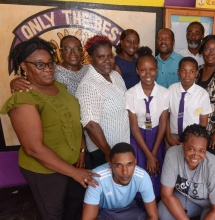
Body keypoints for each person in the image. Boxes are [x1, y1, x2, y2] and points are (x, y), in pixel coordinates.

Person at [0, 37, 99, 220]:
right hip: (46, 172)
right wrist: (74, 173)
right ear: (24, 66)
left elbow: (75, 122)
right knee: (54, 214)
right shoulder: (23, 98)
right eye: (39, 65)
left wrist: (82, 149)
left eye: (50, 64)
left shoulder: (59, 87)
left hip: (72, 165)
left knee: (72, 209)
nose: (48, 69)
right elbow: (33, 148)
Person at [158, 124, 215, 220]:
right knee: (163, 211)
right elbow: (166, 195)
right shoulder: (172, 155)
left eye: (201, 151)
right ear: (183, 145)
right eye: (191, 149)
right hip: (189, 198)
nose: (196, 155)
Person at [75, 35, 130, 169]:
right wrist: (109, 153)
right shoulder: (89, 85)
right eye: (101, 57)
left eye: (109, 56)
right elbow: (91, 125)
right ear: (91, 58)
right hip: (103, 152)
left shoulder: (115, 76)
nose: (107, 61)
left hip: (122, 146)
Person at [125, 46, 169, 197]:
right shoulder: (130, 94)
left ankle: (155, 200)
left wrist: (154, 153)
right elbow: (133, 126)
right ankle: (139, 200)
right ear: (137, 71)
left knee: (156, 168)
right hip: (138, 138)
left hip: (157, 136)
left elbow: (163, 123)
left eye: (151, 70)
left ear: (156, 70)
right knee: (140, 168)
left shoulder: (164, 92)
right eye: (143, 70)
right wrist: (148, 155)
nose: (147, 74)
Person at [82, 142, 158, 220]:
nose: (125, 172)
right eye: (118, 165)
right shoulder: (97, 177)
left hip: (129, 208)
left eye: (130, 164)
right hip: (105, 212)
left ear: (135, 162)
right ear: (110, 164)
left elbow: (153, 216)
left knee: (142, 217)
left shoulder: (142, 177)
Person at [166, 57, 212, 148]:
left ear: (196, 73)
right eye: (183, 71)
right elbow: (166, 116)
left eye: (191, 71)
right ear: (178, 72)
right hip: (173, 136)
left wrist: (197, 139)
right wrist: (168, 137)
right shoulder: (171, 89)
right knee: (172, 159)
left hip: (193, 137)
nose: (187, 75)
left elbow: (203, 121)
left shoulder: (202, 94)